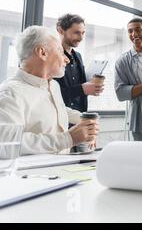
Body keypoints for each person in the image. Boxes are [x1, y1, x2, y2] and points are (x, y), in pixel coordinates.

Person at [0, 26, 99, 155]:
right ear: (42, 52)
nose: (67, 59)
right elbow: (6, 143)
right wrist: (69, 138)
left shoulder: (53, 85)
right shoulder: (10, 93)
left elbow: (57, 109)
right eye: (60, 51)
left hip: (61, 169)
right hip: (32, 174)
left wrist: (84, 119)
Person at [54, 14, 104, 152]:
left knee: (82, 165)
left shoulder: (78, 57)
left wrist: (91, 87)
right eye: (76, 32)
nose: (81, 38)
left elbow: (82, 89)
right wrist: (82, 89)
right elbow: (52, 96)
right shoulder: (52, 58)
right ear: (60, 30)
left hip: (80, 121)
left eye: (83, 33)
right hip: (61, 125)